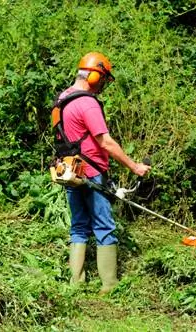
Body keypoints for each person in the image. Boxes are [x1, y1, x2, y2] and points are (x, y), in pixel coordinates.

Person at [53, 52, 151, 294]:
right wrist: (135, 166)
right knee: (104, 226)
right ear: (94, 75)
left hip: (70, 171)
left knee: (78, 226)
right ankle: (109, 285)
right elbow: (105, 142)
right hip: (92, 172)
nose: (104, 85)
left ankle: (76, 282)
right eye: (103, 79)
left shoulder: (62, 99)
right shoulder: (87, 103)